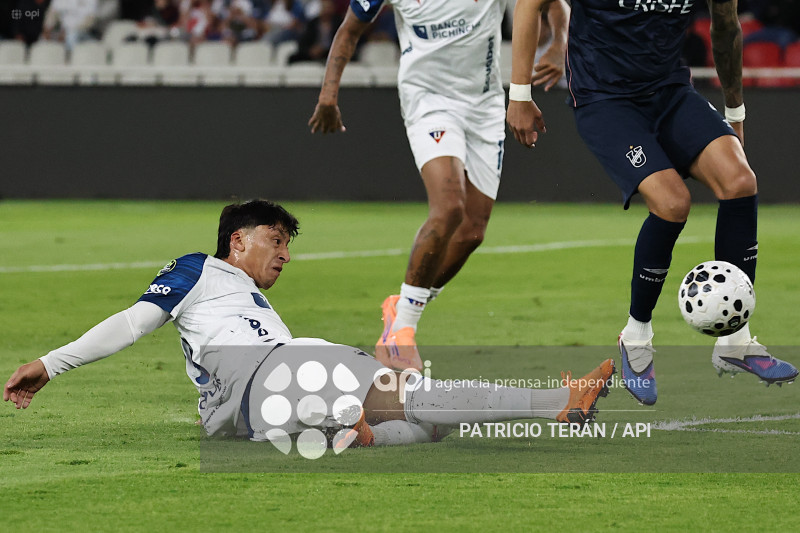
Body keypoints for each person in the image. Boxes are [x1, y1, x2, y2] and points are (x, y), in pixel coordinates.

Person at [4, 200, 614, 449]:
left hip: (243, 413)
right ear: (236, 241)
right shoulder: (200, 268)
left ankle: (347, 431)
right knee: (420, 399)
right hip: (272, 375)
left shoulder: (247, 300)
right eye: (275, 240)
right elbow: (134, 322)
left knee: (427, 430)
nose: (285, 255)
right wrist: (50, 364)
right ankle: (564, 399)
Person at [506, 0, 798, 406]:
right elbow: (531, 3)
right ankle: (636, 337)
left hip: (670, 92)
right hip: (605, 100)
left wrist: (735, 113)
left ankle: (735, 342)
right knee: (672, 202)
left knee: (739, 180)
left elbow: (726, 27)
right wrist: (519, 93)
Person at [308, 0, 570, 371]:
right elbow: (349, 30)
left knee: (471, 233)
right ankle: (401, 335)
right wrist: (327, 96)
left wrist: (559, 46)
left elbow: (553, 5)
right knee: (449, 207)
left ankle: (402, 307)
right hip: (428, 101)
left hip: (485, 106)